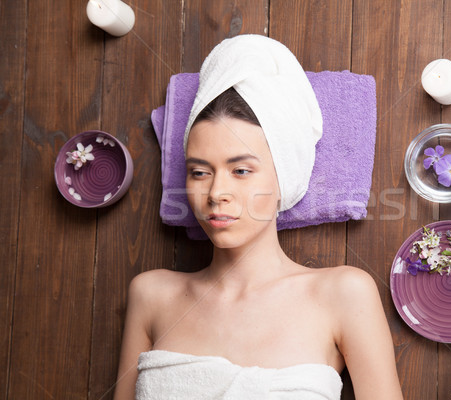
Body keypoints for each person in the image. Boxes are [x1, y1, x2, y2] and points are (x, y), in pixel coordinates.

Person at [113, 35, 403, 400]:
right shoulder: (151, 295)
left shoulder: (343, 294)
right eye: (199, 172)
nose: (217, 192)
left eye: (241, 171)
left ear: (284, 178)